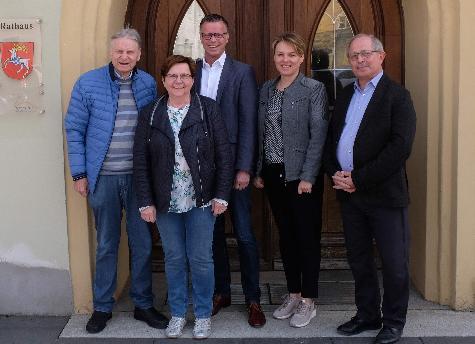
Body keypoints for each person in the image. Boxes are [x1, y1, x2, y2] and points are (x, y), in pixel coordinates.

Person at [64, 28, 168, 333]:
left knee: (142, 243)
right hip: (102, 178)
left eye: (130, 52)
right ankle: (102, 307)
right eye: (119, 51)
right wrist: (80, 173)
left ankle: (143, 304)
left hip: (138, 180)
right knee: (107, 243)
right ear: (112, 53)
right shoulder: (88, 83)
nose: (124, 57)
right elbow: (74, 129)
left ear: (139, 55)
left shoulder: (148, 83)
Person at [324, 33, 416, 344]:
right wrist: (334, 174)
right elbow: (332, 138)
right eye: (354, 56)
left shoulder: (398, 96)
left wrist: (359, 179)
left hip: (384, 197)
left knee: (394, 264)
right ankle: (367, 314)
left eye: (366, 54)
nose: (360, 60)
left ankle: (393, 322)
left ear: (381, 56)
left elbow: (400, 148)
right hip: (349, 196)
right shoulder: (347, 93)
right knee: (359, 259)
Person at [133, 55, 233, 339]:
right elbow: (140, 161)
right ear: (163, 81)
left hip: (201, 198)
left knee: (201, 258)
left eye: (185, 76)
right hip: (165, 201)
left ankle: (202, 314)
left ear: (193, 79)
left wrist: (222, 195)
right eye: (173, 76)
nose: (179, 81)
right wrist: (145, 201)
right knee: (174, 258)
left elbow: (224, 155)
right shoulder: (150, 113)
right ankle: (177, 313)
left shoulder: (207, 109)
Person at [194, 14, 266, 327]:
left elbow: (250, 122)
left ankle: (253, 298)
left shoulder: (242, 72)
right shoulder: (191, 71)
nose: (212, 40)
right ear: (201, 37)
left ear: (227, 37)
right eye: (207, 34)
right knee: (212, 236)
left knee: (246, 235)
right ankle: (221, 293)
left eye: (218, 34)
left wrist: (245, 168)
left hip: (234, 167)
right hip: (201, 168)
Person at [253, 32, 329, 328]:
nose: (285, 60)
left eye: (291, 55)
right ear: (274, 58)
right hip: (273, 174)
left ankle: (309, 299)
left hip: (301, 176)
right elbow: (262, 134)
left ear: (301, 57)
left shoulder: (314, 89)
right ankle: (294, 293)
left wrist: (309, 176)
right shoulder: (266, 90)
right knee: (286, 237)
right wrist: (260, 170)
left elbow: (318, 135)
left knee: (306, 238)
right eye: (280, 54)